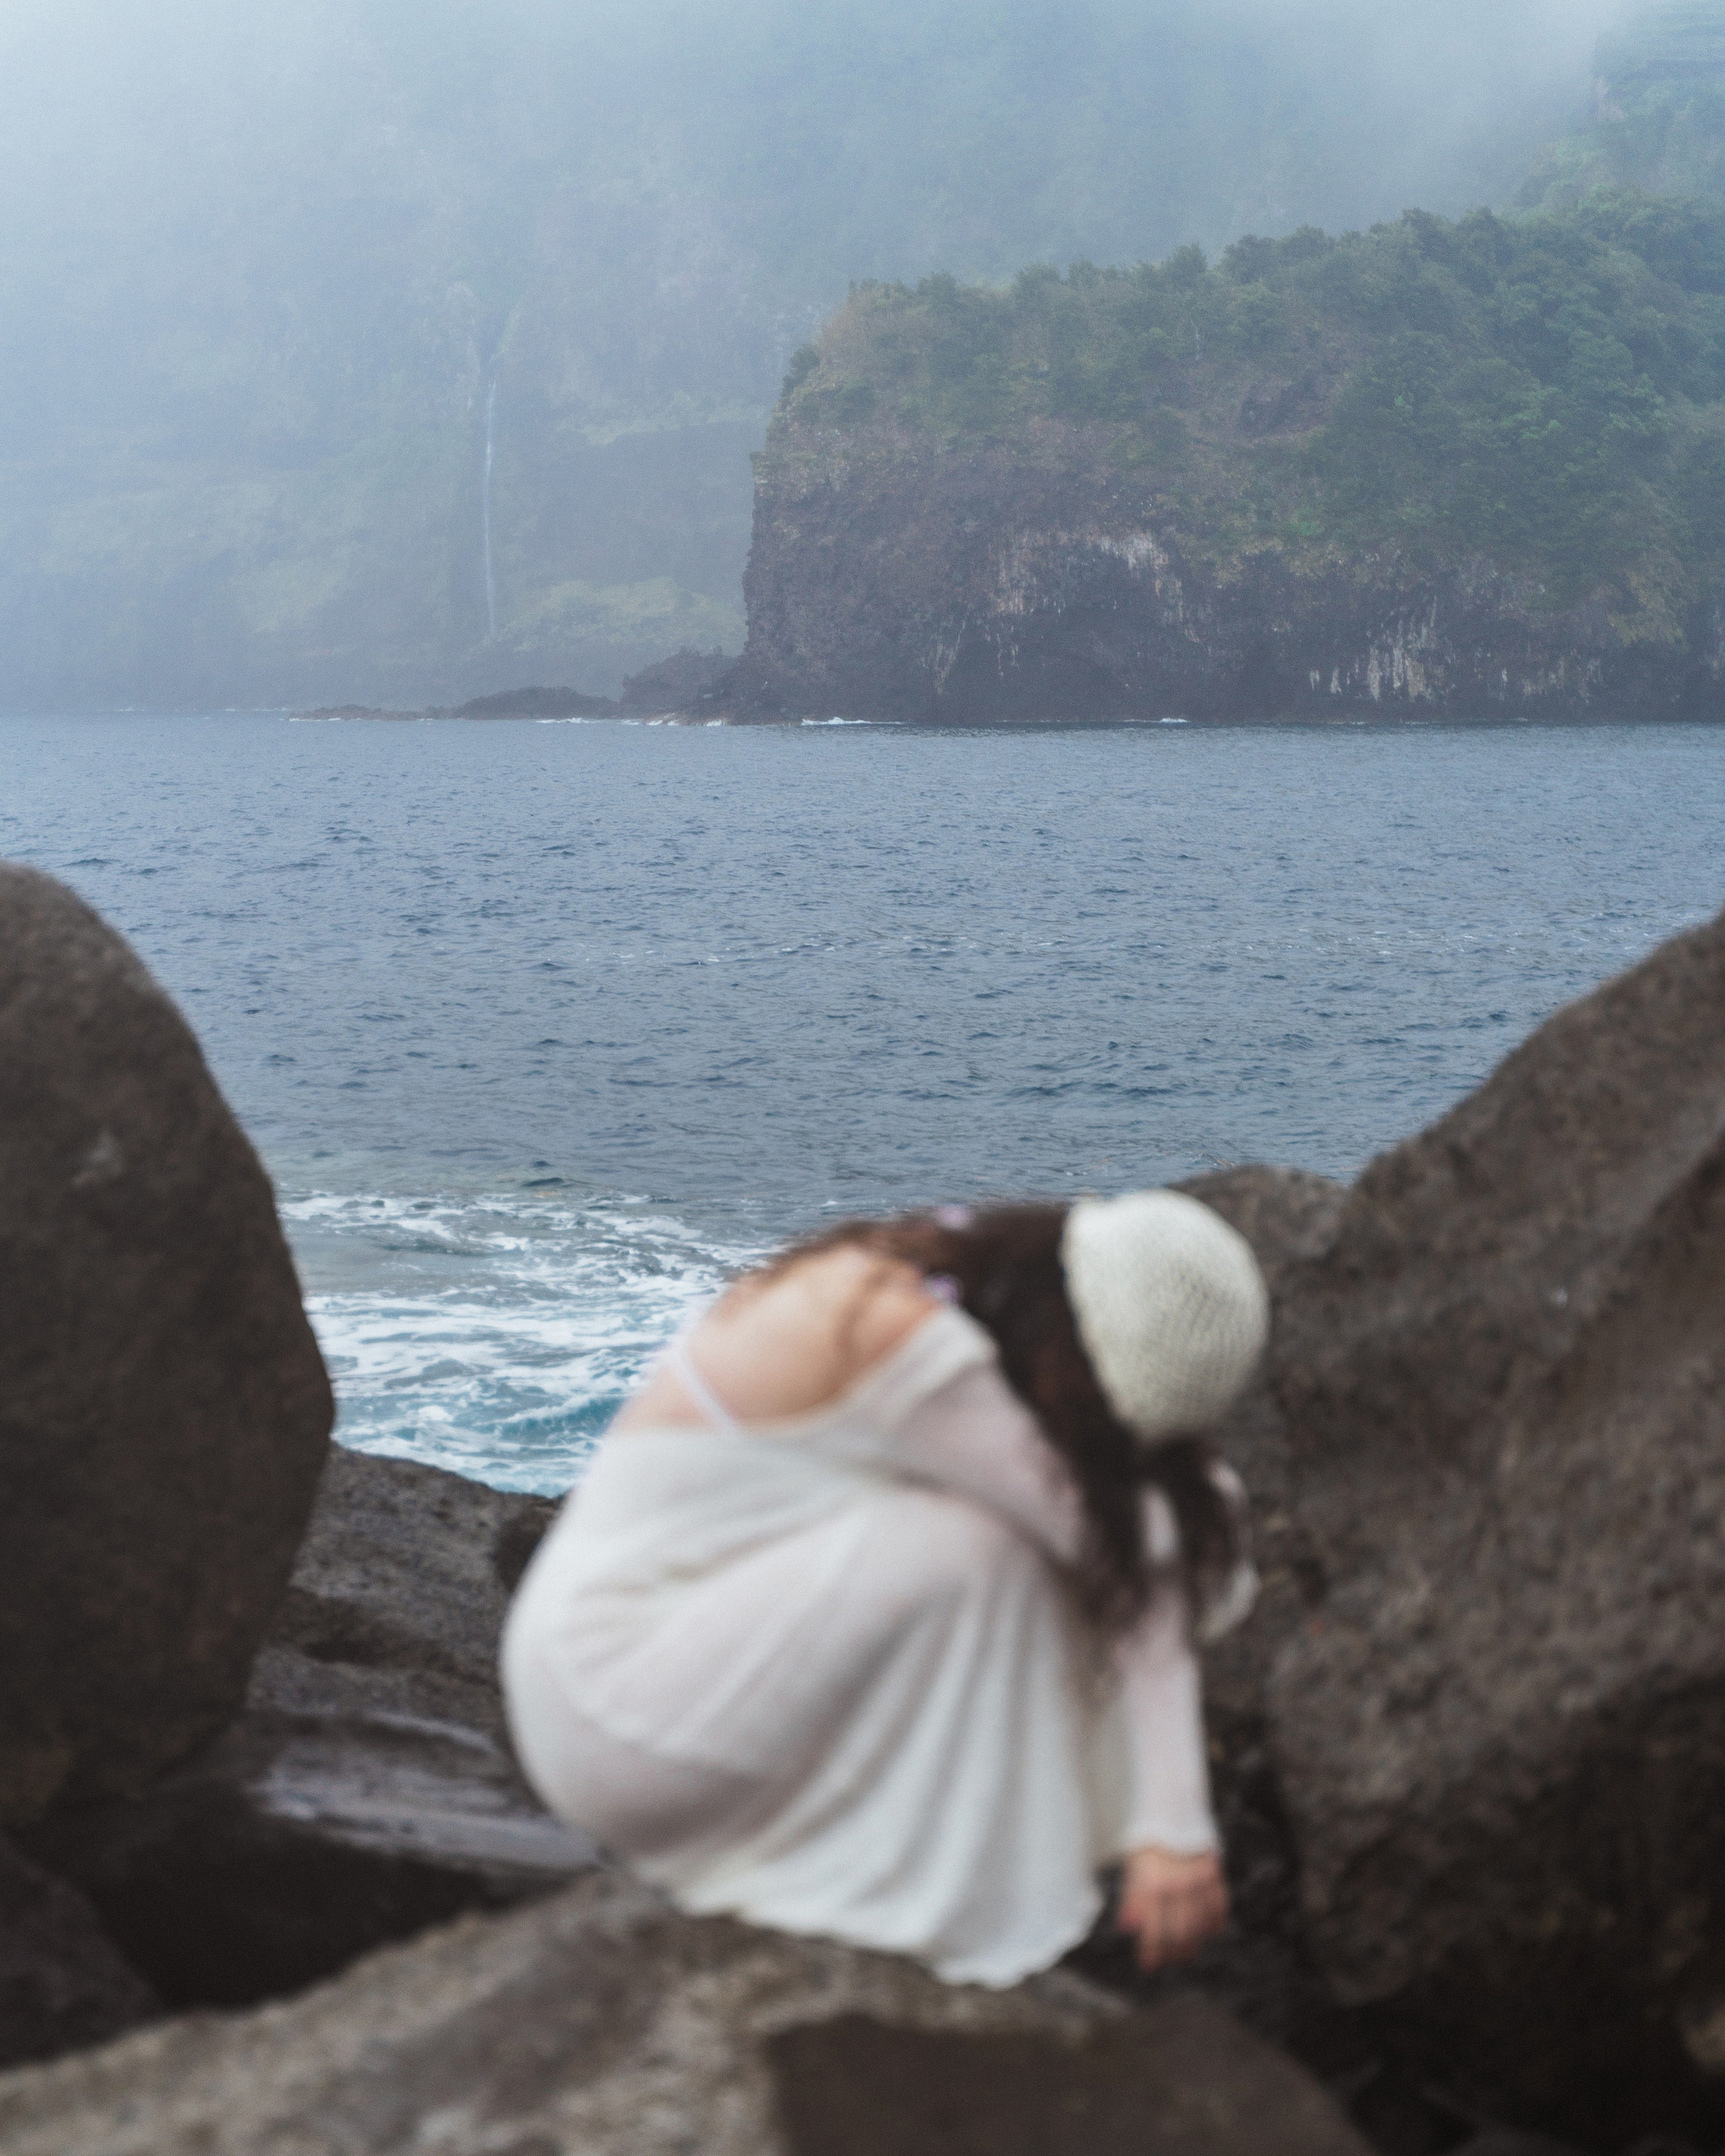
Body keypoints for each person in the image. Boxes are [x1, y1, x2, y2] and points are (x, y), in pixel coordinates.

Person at [501, 1188, 1267, 1987]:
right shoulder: (890, 1330)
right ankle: (941, 1911)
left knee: (1018, 1529)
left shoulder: (927, 1278)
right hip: (615, 1711)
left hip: (633, 1694)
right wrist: (1176, 1829)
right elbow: (1127, 1553)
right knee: (980, 1546)